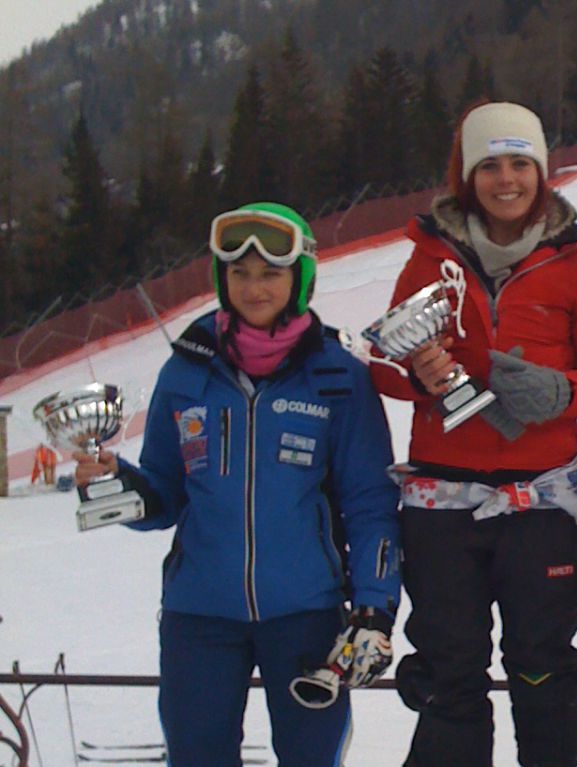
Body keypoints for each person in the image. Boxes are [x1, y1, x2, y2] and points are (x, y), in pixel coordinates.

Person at [73, 202, 401, 767]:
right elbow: (163, 496)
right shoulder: (186, 369)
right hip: (200, 615)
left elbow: (370, 502)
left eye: (271, 273)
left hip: (306, 614)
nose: (254, 288)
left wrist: (374, 608)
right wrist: (112, 483)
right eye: (239, 273)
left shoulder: (338, 375)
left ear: (300, 279)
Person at [368, 101, 577, 767]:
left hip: (540, 502)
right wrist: (418, 376)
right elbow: (385, 364)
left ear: (541, 171)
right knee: (449, 666)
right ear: (466, 175)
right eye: (489, 166)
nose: (506, 179)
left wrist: (563, 391)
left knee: (543, 664)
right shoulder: (428, 258)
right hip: (442, 504)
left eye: (519, 163)